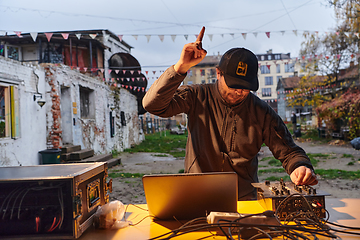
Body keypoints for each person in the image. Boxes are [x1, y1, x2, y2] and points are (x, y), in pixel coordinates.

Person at [142, 27, 318, 200]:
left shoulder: (261, 111)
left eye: (246, 87)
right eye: (234, 85)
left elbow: (288, 151)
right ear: (218, 74)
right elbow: (153, 105)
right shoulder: (197, 96)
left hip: (243, 199)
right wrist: (180, 67)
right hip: (197, 194)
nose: (240, 92)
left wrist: (300, 167)